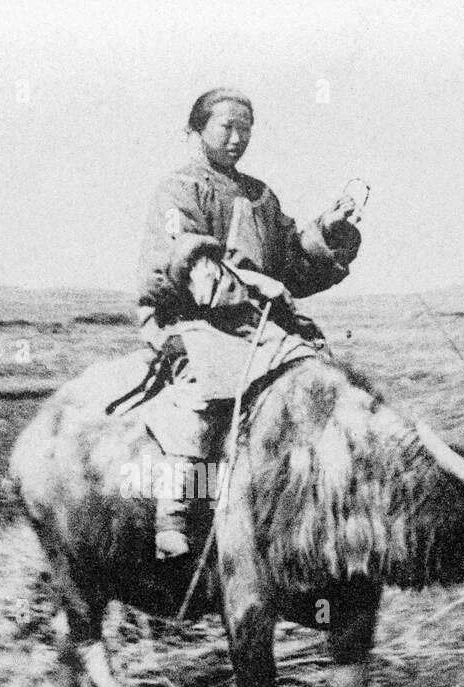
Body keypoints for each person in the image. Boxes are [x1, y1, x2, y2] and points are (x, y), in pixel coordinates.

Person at [136, 87, 363, 558]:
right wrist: (257, 287)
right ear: (197, 130)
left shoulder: (260, 196)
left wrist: (330, 231)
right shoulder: (178, 191)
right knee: (207, 392)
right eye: (227, 128)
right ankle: (175, 513)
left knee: (323, 379)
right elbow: (190, 270)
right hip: (194, 317)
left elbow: (292, 266)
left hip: (257, 323)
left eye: (246, 130)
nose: (238, 138)